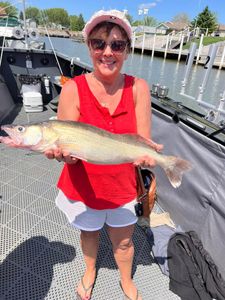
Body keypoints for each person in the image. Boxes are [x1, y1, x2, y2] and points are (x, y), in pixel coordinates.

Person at [45, 9, 162, 300]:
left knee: (123, 242)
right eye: (99, 44)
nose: (107, 52)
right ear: (88, 47)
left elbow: (142, 140)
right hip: (83, 186)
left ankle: (125, 278)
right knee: (89, 234)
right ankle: (90, 270)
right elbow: (70, 148)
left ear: (127, 51)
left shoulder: (139, 89)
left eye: (117, 45)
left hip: (121, 185)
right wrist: (65, 155)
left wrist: (149, 156)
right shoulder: (73, 89)